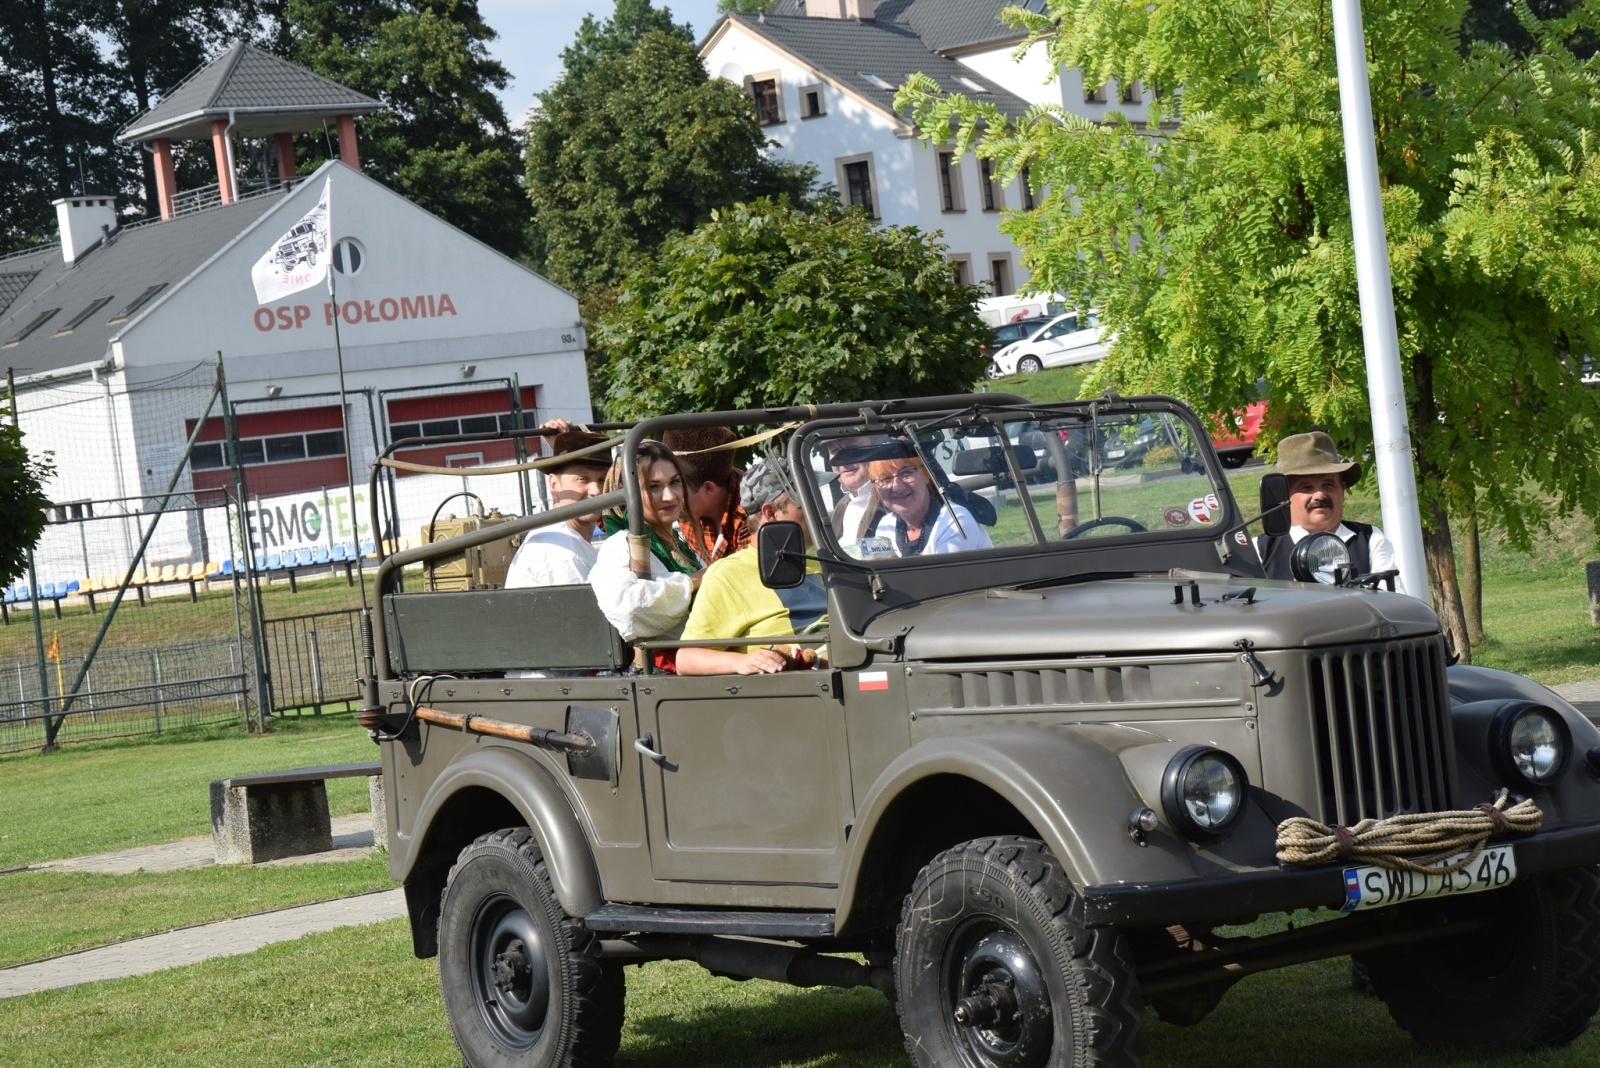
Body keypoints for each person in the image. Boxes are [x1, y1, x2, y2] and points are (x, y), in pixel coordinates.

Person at [677, 458, 828, 676]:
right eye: (806, 501)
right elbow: (687, 659)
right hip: (804, 691)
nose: (818, 509)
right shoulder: (728, 575)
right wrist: (741, 661)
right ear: (770, 512)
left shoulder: (823, 559)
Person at [588, 440, 705, 671]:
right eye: (654, 487)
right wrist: (694, 581)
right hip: (665, 674)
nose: (669, 496)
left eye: (675, 482)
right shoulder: (620, 544)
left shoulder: (680, 545)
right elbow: (629, 609)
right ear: (627, 494)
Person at [1255, 431, 1406, 593]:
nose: (1319, 495)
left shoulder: (1370, 540)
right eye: (1306, 487)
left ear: (1342, 489)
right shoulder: (1259, 550)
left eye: (1329, 485)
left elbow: (1392, 605)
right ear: (1284, 494)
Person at [503, 429, 612, 589]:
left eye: (602, 479)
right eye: (582, 479)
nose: (596, 490)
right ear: (554, 485)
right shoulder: (561, 550)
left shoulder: (568, 539)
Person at [868, 455, 993, 556]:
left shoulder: (955, 522)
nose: (897, 487)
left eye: (906, 473)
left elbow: (942, 583)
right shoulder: (886, 525)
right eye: (885, 479)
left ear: (925, 475)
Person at [662, 426, 748, 564]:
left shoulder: (752, 514)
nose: (668, 497)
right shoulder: (688, 509)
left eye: (676, 484)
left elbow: (743, 579)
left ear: (708, 488)